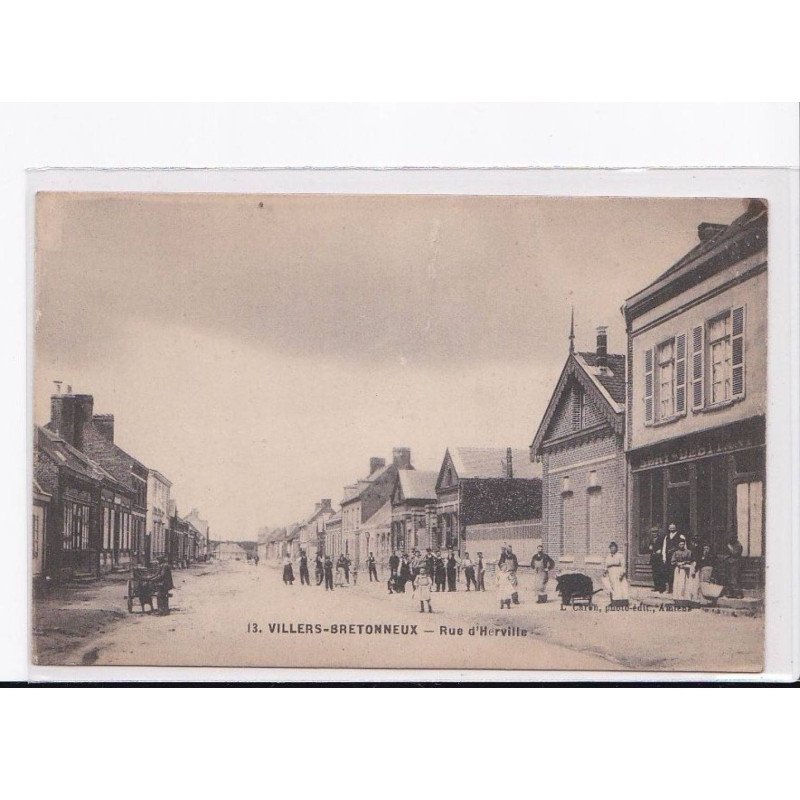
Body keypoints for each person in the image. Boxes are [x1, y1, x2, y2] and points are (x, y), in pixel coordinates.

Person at [602, 541, 629, 606]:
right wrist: (605, 571)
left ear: (616, 548)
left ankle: (621, 603)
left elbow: (623, 566)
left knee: (620, 588)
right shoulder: (608, 556)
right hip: (611, 574)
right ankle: (613, 602)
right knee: (612, 588)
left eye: (614, 548)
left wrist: (622, 574)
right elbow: (606, 565)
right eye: (611, 548)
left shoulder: (620, 556)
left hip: (618, 574)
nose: (612, 549)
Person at [670, 538, 694, 602]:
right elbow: (672, 561)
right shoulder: (675, 552)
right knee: (678, 583)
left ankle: (685, 597)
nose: (682, 546)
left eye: (683, 544)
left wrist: (684, 562)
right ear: (678, 545)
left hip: (685, 570)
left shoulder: (688, 552)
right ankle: (677, 597)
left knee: (685, 583)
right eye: (680, 544)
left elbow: (690, 560)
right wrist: (677, 563)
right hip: (678, 569)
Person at [661, 523, 683, 593]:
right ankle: (668, 589)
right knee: (667, 573)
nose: (672, 529)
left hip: (677, 557)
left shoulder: (681, 536)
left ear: (675, 528)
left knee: (676, 572)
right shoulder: (667, 537)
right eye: (670, 528)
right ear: (669, 528)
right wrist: (664, 557)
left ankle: (675, 589)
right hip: (668, 557)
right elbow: (664, 547)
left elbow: (684, 548)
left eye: (673, 528)